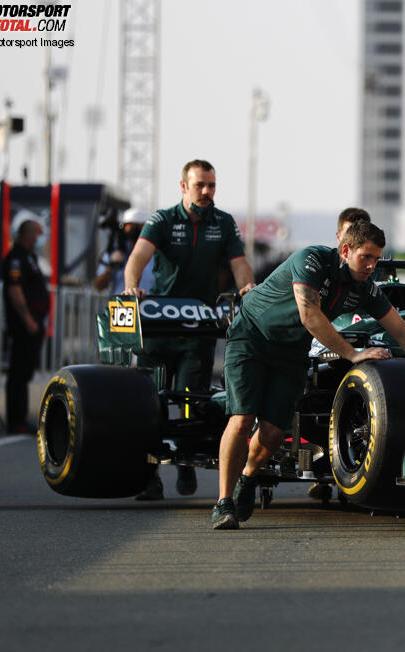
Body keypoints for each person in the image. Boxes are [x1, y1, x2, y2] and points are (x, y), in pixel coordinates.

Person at [211, 220, 405, 529]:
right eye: (365, 257)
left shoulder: (365, 288)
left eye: (376, 259)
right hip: (252, 337)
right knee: (243, 418)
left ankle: (246, 478)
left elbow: (404, 332)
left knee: (274, 432)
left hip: (291, 351)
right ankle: (223, 503)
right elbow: (309, 315)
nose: (371, 265)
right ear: (345, 250)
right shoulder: (311, 259)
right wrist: (353, 354)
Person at [123, 159, 257, 500]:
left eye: (211, 185)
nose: (207, 192)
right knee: (147, 406)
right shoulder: (163, 219)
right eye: (200, 185)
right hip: (157, 325)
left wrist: (248, 290)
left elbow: (239, 264)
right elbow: (138, 256)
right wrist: (132, 286)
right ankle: (149, 477)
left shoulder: (223, 222)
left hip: (199, 328)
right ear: (183, 187)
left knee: (190, 402)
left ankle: (184, 463)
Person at [1, 219, 49, 434]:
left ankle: (21, 418)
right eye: (38, 234)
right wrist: (28, 319)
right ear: (28, 234)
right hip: (22, 324)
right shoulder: (16, 258)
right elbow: (15, 290)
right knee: (18, 372)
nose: (40, 239)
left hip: (33, 322)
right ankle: (16, 420)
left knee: (26, 371)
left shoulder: (30, 257)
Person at [93, 208, 154, 294]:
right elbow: (98, 286)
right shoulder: (115, 251)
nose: (134, 230)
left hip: (150, 304)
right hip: (122, 305)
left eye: (138, 226)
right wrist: (110, 267)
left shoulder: (156, 253)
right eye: (130, 226)